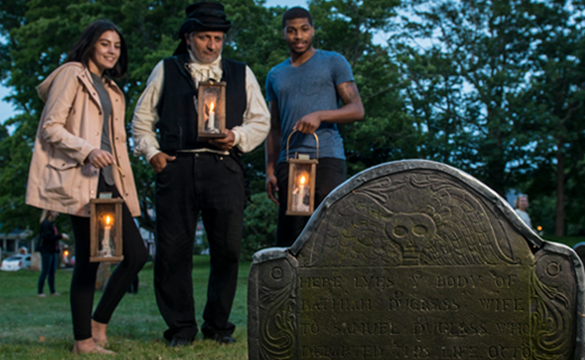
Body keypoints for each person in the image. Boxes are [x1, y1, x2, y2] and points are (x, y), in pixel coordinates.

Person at [132, 2, 269, 347]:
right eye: (205, 37)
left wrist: (235, 137)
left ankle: (218, 325)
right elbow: (142, 121)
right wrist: (153, 154)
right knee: (173, 249)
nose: (212, 45)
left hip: (224, 167)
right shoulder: (165, 70)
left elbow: (260, 120)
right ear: (189, 37)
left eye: (218, 38)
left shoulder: (241, 72)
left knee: (227, 248)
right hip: (177, 167)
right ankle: (180, 328)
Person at [25, 20, 147, 355]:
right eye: (105, 43)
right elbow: (50, 127)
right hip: (82, 180)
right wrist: (87, 151)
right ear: (91, 44)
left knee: (136, 254)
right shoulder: (71, 74)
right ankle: (83, 342)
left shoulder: (109, 87)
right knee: (88, 261)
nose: (111, 50)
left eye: (117, 46)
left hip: (111, 181)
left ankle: (98, 323)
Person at [265, 7, 365, 247]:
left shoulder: (333, 62)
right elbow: (274, 128)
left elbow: (357, 109)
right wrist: (269, 169)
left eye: (304, 29)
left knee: (328, 231)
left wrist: (320, 114)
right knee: (292, 238)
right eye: (291, 31)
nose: (298, 36)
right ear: (284, 34)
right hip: (290, 162)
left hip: (327, 157)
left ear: (312, 30)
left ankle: (329, 284)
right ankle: (292, 286)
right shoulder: (275, 75)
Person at [37, 210, 68, 297]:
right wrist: (60, 236)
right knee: (45, 270)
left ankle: (52, 291)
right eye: (56, 212)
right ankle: (40, 291)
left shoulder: (51, 223)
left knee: (52, 271)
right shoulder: (45, 223)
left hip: (53, 250)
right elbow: (48, 237)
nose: (57, 214)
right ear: (50, 213)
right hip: (46, 250)